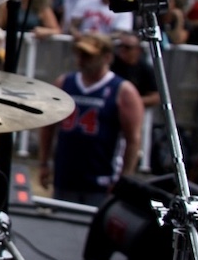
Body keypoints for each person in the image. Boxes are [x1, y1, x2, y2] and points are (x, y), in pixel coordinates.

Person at [38, 32, 144, 206]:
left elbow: (133, 140)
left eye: (88, 55)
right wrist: (44, 163)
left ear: (107, 57)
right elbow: (48, 126)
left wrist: (124, 179)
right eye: (79, 53)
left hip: (101, 179)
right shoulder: (65, 83)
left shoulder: (122, 90)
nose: (81, 59)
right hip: (66, 175)